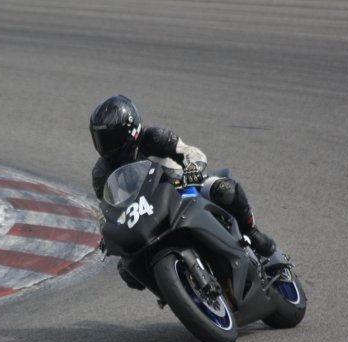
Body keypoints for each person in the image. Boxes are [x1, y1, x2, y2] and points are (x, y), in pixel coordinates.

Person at [89, 95, 276, 289]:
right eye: (100, 139)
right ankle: (174, 288)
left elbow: (189, 152)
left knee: (225, 190)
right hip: (145, 213)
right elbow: (107, 207)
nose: (106, 146)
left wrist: (192, 169)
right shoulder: (102, 173)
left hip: (184, 189)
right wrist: (107, 233)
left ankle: (251, 231)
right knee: (126, 269)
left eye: (111, 138)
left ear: (130, 130)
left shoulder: (154, 138)